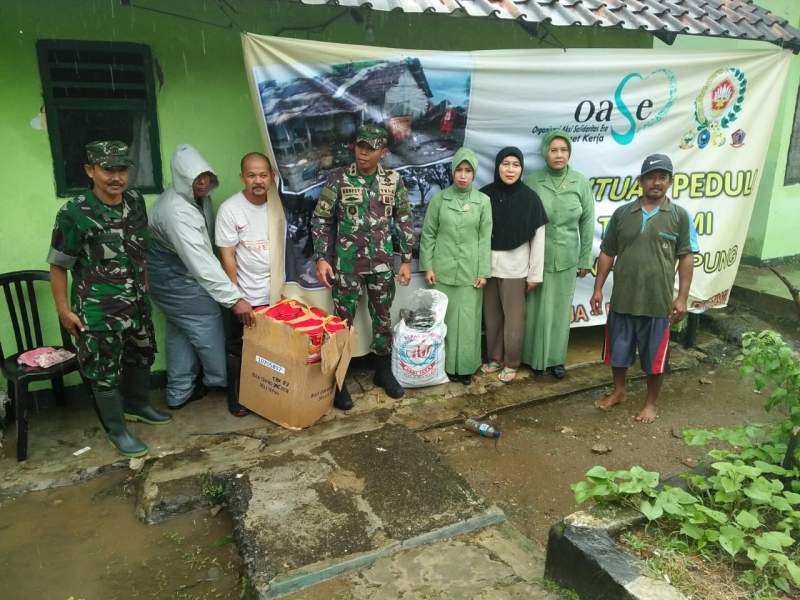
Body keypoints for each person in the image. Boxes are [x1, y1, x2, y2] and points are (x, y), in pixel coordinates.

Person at [47, 141, 170, 458]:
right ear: (90, 171)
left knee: (142, 355)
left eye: (122, 169)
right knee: (104, 372)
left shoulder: (135, 201)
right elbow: (58, 266)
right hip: (99, 310)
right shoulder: (75, 213)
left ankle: (138, 405)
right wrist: (63, 311)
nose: (117, 177)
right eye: (108, 170)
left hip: (137, 302)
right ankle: (117, 431)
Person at [590, 154, 699, 423]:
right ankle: (618, 391)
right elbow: (607, 252)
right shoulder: (622, 214)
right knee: (618, 353)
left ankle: (651, 404)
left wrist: (682, 298)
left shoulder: (680, 217)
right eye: (651, 177)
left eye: (662, 177)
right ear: (641, 181)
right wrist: (597, 289)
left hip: (657, 302)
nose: (656, 183)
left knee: (655, 358)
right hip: (623, 299)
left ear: (670, 182)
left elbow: (686, 257)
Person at [312, 124, 414, 409]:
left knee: (382, 319)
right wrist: (321, 257)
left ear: (383, 152)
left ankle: (383, 372)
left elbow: (403, 219)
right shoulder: (339, 179)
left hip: (382, 263)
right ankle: (338, 381)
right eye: (360, 146)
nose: (364, 153)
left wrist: (406, 259)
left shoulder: (393, 180)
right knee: (341, 323)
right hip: (347, 264)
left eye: (371, 148)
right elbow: (321, 219)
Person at [148, 144, 253, 411]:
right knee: (206, 319)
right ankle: (223, 381)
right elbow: (201, 263)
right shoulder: (176, 212)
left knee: (181, 328)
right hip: (173, 279)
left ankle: (179, 391)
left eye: (206, 175)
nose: (203, 182)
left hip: (172, 275)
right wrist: (234, 299)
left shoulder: (196, 198)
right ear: (182, 179)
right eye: (196, 178)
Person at [522, 129, 594, 379]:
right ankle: (532, 358)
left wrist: (585, 258)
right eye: (554, 150)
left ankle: (555, 359)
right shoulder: (533, 181)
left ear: (569, 153)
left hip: (567, 257)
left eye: (563, 150)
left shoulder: (580, 182)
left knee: (560, 310)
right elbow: (524, 221)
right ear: (545, 153)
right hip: (536, 256)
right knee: (535, 308)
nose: (559, 155)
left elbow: (587, 222)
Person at [420, 147, 492, 385]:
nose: (463, 175)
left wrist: (483, 271)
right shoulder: (439, 199)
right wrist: (428, 266)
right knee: (445, 321)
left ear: (474, 174)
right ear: (452, 172)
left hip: (471, 273)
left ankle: (466, 368)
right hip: (442, 271)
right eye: (459, 170)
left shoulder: (483, 202)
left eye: (468, 171)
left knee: (468, 322)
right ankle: (445, 367)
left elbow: (485, 239)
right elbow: (429, 234)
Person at [479, 147, 547, 383]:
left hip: (516, 269)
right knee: (492, 317)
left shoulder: (530, 199)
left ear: (521, 169)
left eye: (516, 165)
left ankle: (511, 362)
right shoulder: (484, 196)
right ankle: (494, 358)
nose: (510, 169)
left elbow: (539, 239)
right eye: (505, 164)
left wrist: (535, 275)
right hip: (487, 268)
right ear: (497, 166)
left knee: (514, 319)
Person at [215, 152, 275, 417]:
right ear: (242, 177)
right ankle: (237, 399)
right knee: (239, 349)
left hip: (277, 295)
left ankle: (269, 397)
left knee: (273, 350)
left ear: (272, 177)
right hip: (247, 296)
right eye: (251, 175)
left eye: (263, 175)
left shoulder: (279, 205)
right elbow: (227, 255)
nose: (258, 181)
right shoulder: (230, 209)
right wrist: (236, 298)